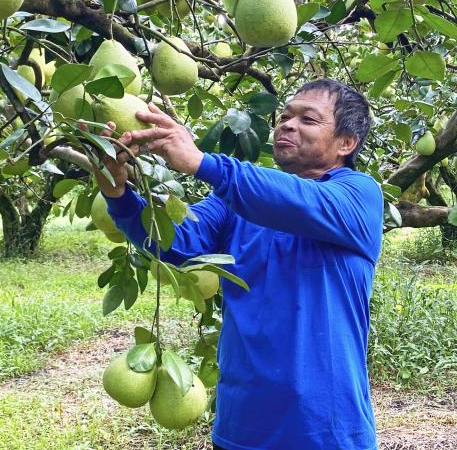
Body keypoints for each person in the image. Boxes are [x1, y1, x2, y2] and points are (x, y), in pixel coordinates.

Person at [94, 78, 384, 450]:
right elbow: (173, 242)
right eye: (285, 116)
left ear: (347, 143)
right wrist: (118, 194)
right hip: (241, 427)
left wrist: (201, 163)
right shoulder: (237, 201)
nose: (288, 125)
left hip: (326, 431)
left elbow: (297, 202)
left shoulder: (358, 196)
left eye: (308, 119)